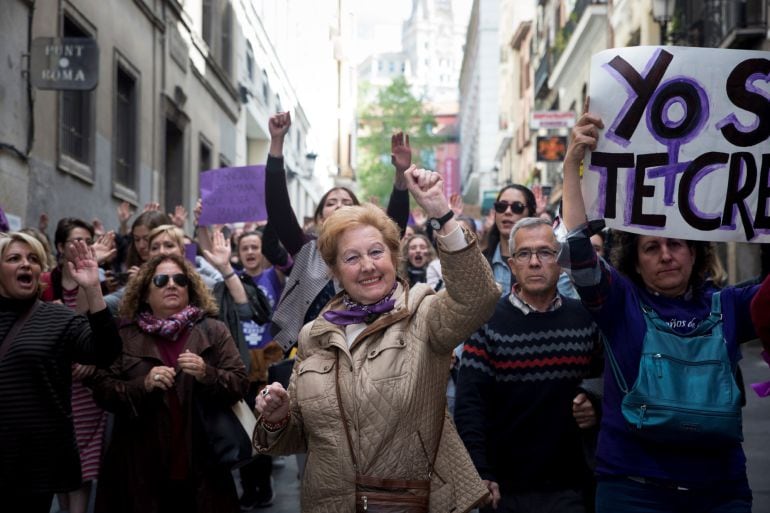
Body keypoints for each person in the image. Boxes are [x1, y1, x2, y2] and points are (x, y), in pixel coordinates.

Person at [253, 166, 500, 513]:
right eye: (352, 258)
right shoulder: (314, 335)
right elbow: (300, 435)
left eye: (376, 252)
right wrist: (278, 416)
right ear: (335, 271)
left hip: (408, 503)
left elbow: (479, 298)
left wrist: (442, 215)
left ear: (393, 257)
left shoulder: (423, 314)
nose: (367, 266)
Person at [560, 107, 759, 512]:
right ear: (634, 261)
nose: (666, 255)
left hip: (719, 492)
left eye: (676, 244)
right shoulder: (620, 304)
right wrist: (571, 167)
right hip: (634, 490)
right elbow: (580, 252)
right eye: (652, 247)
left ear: (695, 251)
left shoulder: (730, 306)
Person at [455, 217, 601, 513]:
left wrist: (594, 403)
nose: (535, 262)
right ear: (511, 265)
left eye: (545, 252)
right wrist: (481, 472)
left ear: (560, 262)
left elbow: (605, 380)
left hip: (570, 487)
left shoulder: (586, 319)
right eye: (524, 254)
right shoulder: (486, 322)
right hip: (504, 489)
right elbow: (471, 405)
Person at [88, 254, 248, 513]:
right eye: (161, 280)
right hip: (140, 468)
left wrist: (207, 373)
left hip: (203, 467)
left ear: (190, 288)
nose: (171, 285)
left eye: (180, 279)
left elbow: (240, 383)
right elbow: (102, 390)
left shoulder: (213, 330)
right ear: (144, 293)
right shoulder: (125, 335)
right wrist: (144, 384)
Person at [265, 112, 410, 351]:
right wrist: (277, 142)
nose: (340, 206)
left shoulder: (372, 248)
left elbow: (395, 227)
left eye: (347, 202)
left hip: (366, 347)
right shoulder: (307, 249)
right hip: (312, 353)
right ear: (321, 217)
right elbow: (278, 208)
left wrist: (400, 174)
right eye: (332, 202)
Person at [0, 232, 121, 513]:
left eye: (33, 259)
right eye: (14, 258)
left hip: (34, 465)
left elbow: (106, 353)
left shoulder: (58, 317)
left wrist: (92, 289)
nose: (25, 265)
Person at [37, 218, 110, 513]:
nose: (82, 247)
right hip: (53, 387)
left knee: (82, 469)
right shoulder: (42, 283)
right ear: (59, 247)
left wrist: (87, 282)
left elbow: (84, 327)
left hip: (85, 392)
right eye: (75, 242)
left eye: (87, 241)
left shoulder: (97, 282)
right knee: (61, 469)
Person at [482, 185, 537, 295]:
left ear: (530, 214)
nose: (507, 212)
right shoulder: (480, 262)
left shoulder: (545, 261)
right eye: (501, 206)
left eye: (517, 207)